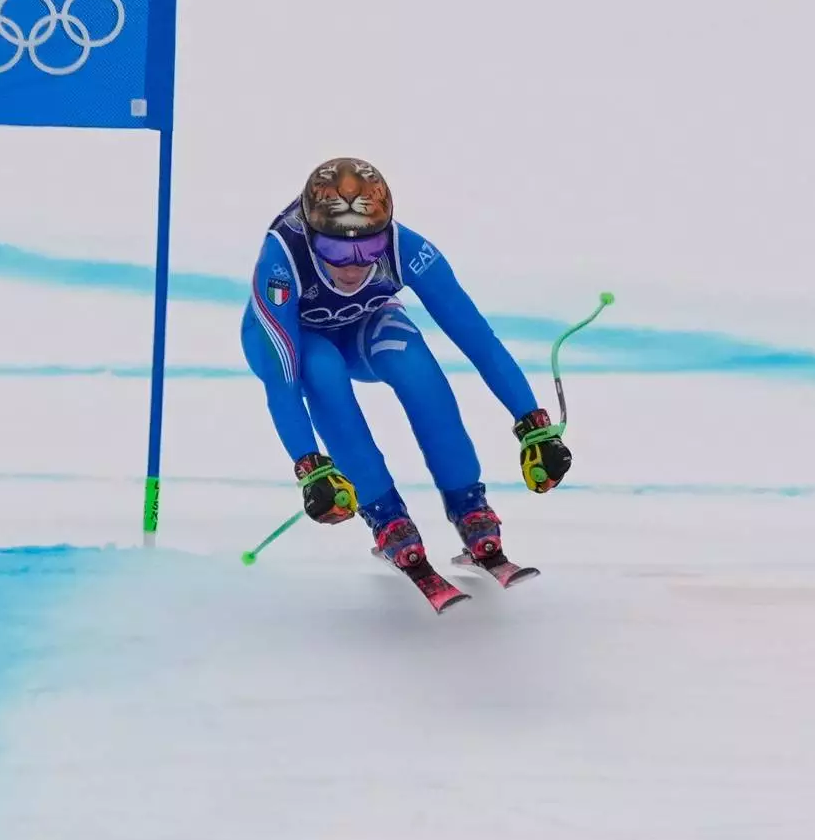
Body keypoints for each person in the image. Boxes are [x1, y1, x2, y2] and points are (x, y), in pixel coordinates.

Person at [241, 157, 572, 576]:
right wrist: (311, 466)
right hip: (289, 339)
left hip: (360, 327)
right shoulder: (281, 259)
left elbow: (479, 341)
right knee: (321, 369)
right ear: (310, 236)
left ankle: (469, 506)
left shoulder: (407, 248)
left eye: (369, 248)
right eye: (335, 250)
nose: (354, 265)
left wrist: (533, 425)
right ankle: (386, 514)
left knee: (414, 360)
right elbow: (282, 382)